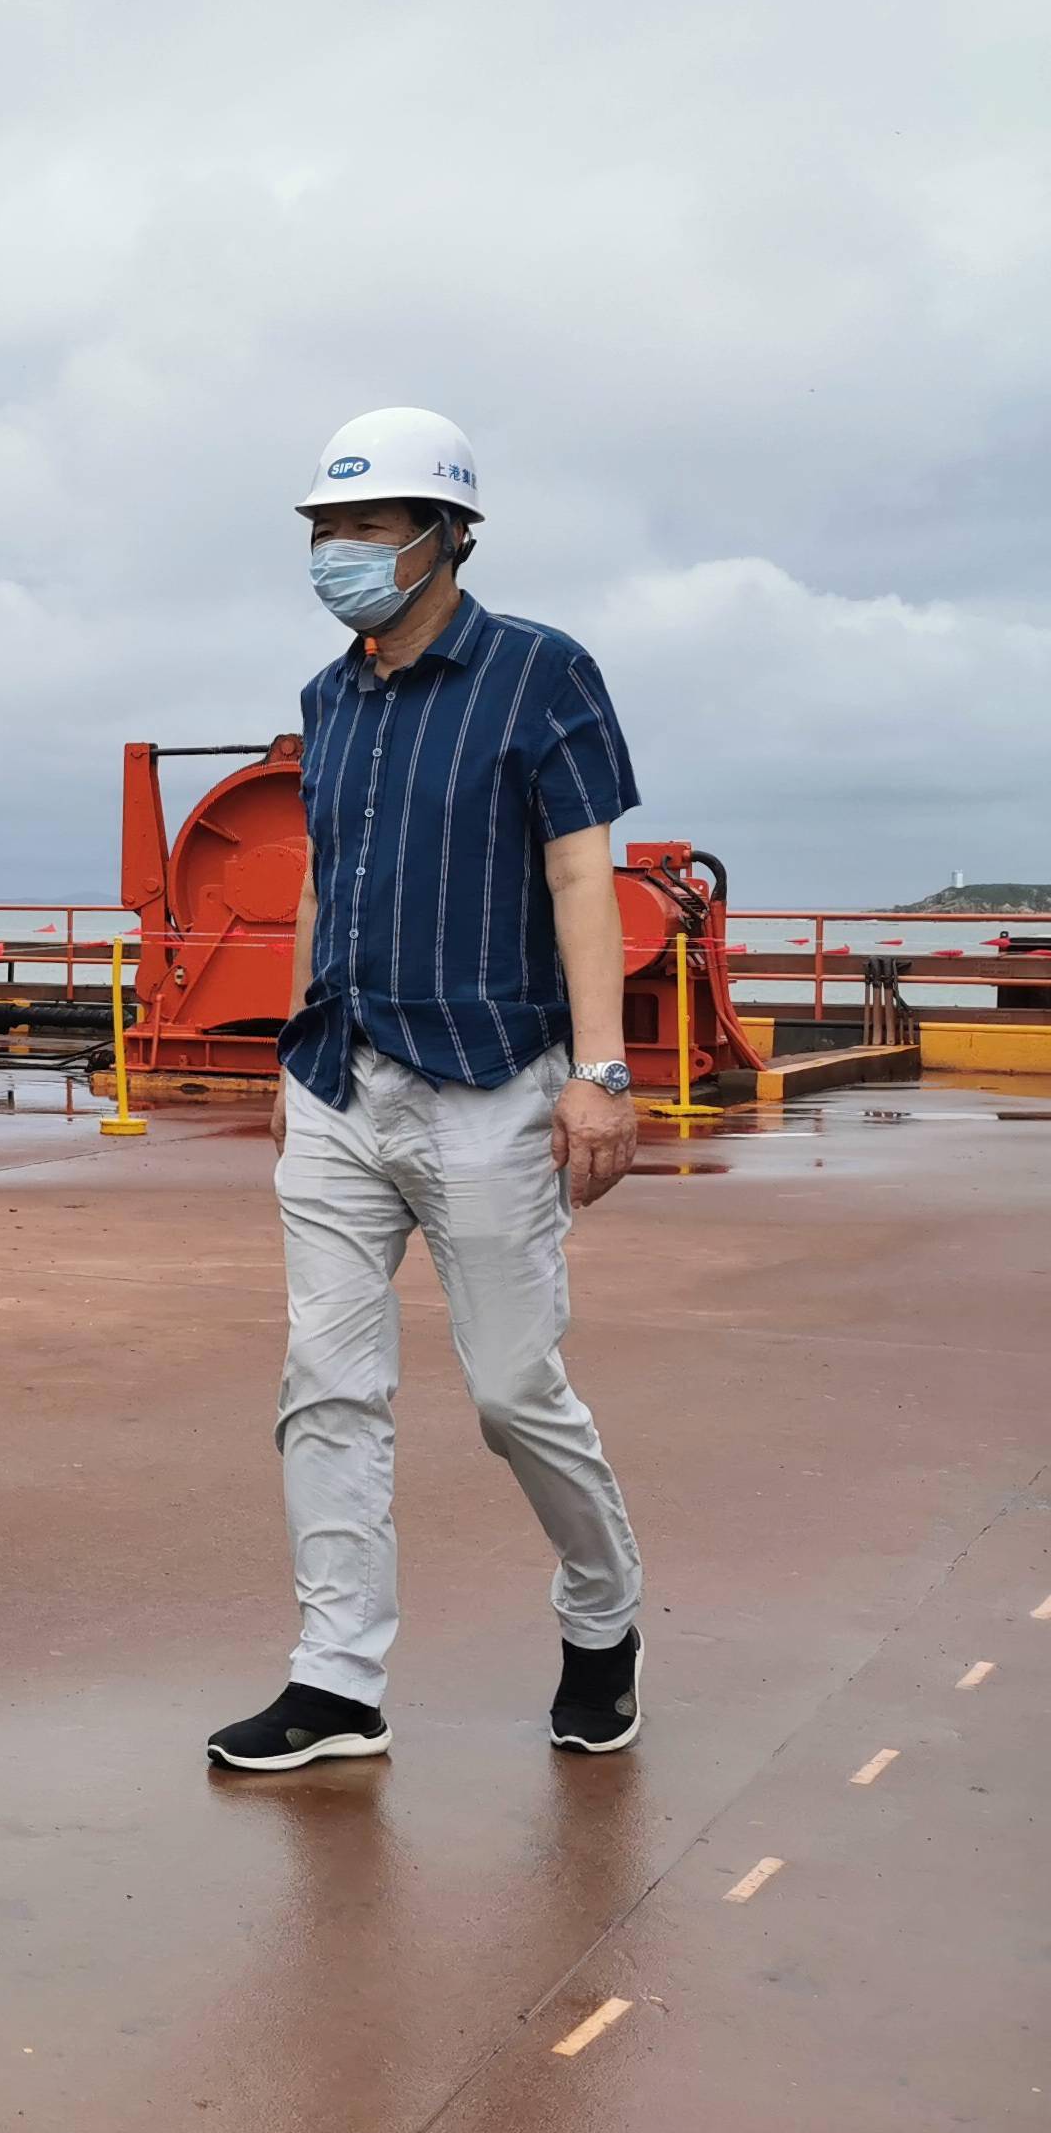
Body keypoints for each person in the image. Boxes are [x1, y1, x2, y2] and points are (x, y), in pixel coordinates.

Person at [205, 408, 649, 1774]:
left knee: (513, 1390)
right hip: (342, 1080)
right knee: (325, 1386)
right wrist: (295, 1047)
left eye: (366, 526)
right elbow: (322, 879)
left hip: (490, 1082)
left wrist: (601, 1073)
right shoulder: (327, 698)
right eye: (324, 528)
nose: (336, 551)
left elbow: (580, 876)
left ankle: (603, 1614)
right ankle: (336, 1679)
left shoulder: (541, 673)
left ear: (445, 537)